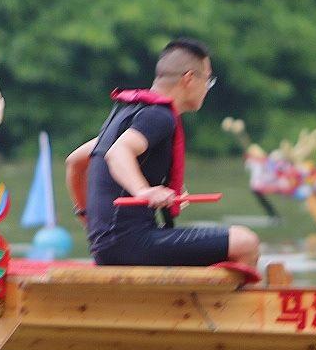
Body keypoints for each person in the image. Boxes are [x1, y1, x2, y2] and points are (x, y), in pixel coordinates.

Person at [66, 38, 260, 268]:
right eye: (208, 80)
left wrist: (85, 213)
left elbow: (75, 161)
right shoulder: (158, 116)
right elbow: (118, 152)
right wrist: (144, 191)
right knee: (246, 242)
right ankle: (229, 305)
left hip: (106, 246)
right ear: (188, 79)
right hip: (131, 244)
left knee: (227, 242)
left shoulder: (128, 114)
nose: (208, 88)